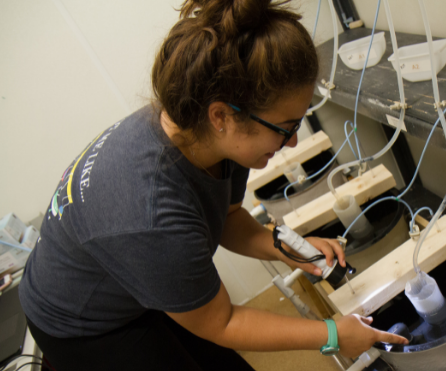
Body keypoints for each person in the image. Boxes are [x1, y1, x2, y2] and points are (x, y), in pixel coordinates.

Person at [18, 0, 407, 370]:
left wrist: (289, 250)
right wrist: (332, 336)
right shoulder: (151, 213)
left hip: (132, 275)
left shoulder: (207, 133)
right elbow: (221, 322)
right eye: (285, 128)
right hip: (80, 321)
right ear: (222, 115)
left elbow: (227, 216)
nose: (291, 141)